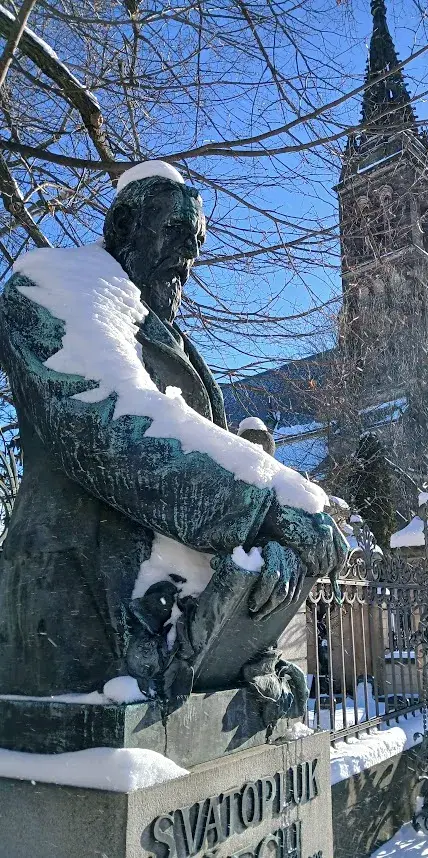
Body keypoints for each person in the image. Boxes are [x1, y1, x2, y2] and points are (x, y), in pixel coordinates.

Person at [0, 161, 346, 700]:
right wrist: (268, 509)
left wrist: (270, 553)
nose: (189, 254)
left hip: (170, 638)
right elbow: (110, 427)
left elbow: (217, 457)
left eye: (197, 241)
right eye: (176, 232)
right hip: (77, 626)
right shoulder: (52, 286)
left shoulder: (175, 341)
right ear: (123, 228)